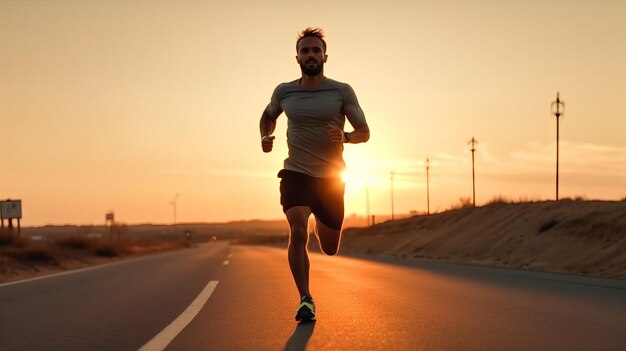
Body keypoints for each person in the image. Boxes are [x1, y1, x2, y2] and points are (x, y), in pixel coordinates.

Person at [259, 27, 370, 322]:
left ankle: (321, 219)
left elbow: (365, 132)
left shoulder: (341, 91)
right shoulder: (284, 91)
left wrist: (345, 137)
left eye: (316, 50)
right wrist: (265, 137)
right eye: (305, 51)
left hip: (332, 179)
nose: (311, 55)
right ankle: (305, 299)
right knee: (297, 230)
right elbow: (268, 116)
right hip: (296, 173)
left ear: (325, 57)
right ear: (297, 57)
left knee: (330, 248)